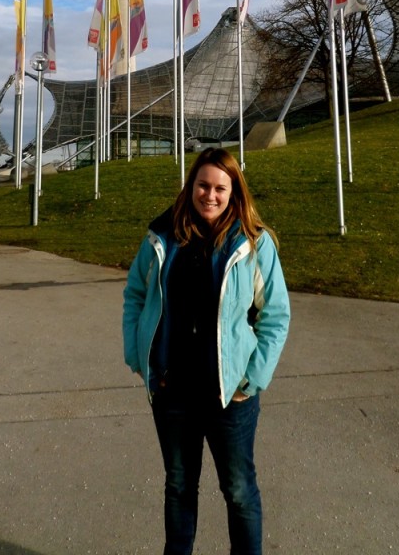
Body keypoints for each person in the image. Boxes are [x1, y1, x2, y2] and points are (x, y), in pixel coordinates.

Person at [123, 147, 290, 555]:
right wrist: (137, 355)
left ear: (234, 193)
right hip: (173, 389)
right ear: (191, 186)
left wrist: (251, 379)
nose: (209, 195)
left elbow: (275, 316)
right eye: (203, 185)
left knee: (238, 490)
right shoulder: (163, 237)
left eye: (220, 188)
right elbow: (136, 295)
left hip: (229, 395)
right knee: (179, 485)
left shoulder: (253, 244)